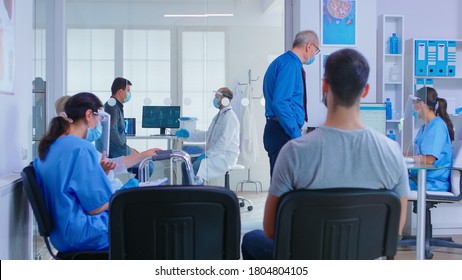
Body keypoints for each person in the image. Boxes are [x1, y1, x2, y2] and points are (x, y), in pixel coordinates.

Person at [241, 48, 409, 259]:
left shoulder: (293, 153)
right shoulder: (392, 153)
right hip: (361, 261)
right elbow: (395, 230)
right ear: (365, 91)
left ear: (324, 86)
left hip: (306, 258)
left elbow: (272, 229)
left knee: (251, 240)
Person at [34, 92, 114, 252]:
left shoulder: (49, 148)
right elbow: (96, 208)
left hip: (61, 235)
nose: (99, 122)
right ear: (89, 114)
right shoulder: (81, 149)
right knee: (141, 220)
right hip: (83, 233)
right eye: (98, 116)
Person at [54, 95, 160, 185]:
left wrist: (144, 154)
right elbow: (95, 204)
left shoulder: (64, 146)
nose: (99, 125)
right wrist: (128, 191)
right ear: (87, 115)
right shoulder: (80, 150)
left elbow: (109, 165)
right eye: (99, 117)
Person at [263, 30, 320, 176]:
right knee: (284, 187)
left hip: (280, 129)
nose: (314, 55)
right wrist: (296, 134)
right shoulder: (290, 65)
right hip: (282, 132)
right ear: (309, 46)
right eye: (316, 50)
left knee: (283, 185)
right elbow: (280, 103)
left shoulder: (283, 62)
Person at [176, 87, 240, 181]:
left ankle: (197, 194)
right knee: (185, 164)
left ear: (226, 100)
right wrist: (189, 134)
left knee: (195, 167)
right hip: (214, 154)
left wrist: (208, 155)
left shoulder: (230, 118)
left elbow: (223, 142)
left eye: (217, 97)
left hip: (225, 157)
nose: (215, 99)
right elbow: (208, 134)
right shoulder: (218, 116)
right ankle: (187, 193)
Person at [409, 86, 454, 192]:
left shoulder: (437, 126)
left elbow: (429, 159)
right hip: (420, 179)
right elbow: (417, 152)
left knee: (393, 187)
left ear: (421, 104)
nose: (413, 108)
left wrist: (408, 159)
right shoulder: (424, 127)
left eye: (414, 104)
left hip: (433, 182)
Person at [96, 77, 135, 159]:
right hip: (115, 151)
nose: (129, 93)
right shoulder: (112, 106)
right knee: (148, 164)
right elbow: (112, 130)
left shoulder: (116, 106)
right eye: (128, 91)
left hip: (118, 149)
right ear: (120, 92)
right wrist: (125, 149)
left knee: (141, 157)